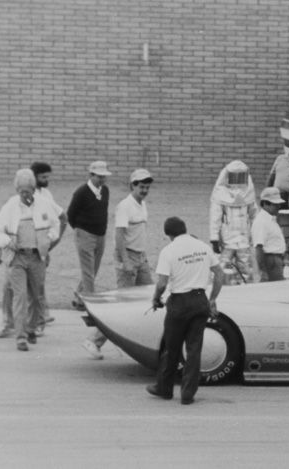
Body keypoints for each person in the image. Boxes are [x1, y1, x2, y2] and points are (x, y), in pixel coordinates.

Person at [146, 217, 223, 405]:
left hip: (179, 302)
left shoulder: (169, 251)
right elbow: (219, 274)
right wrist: (212, 298)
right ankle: (188, 393)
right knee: (194, 349)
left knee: (171, 347)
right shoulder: (202, 247)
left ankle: (164, 387)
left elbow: (163, 283)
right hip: (199, 300)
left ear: (169, 235)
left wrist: (156, 298)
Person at [82, 169, 154, 359]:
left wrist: (142, 258)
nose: (144, 190)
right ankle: (94, 340)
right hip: (127, 258)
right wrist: (126, 261)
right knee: (123, 307)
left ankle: (133, 341)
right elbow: (119, 236)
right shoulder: (125, 206)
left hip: (140, 257)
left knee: (148, 298)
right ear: (132, 186)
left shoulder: (142, 204)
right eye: (141, 186)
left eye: (147, 187)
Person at [0, 162, 67, 338]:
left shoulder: (45, 200)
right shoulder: (11, 204)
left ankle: (33, 326)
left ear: (34, 189)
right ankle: (14, 329)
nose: (24, 195)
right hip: (16, 256)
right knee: (13, 291)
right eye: (21, 191)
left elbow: (60, 220)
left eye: (28, 191)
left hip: (36, 255)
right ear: (17, 190)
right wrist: (2, 246)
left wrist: (49, 243)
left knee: (36, 293)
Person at [67, 161, 111, 311]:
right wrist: (80, 230)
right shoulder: (81, 192)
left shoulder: (105, 190)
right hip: (85, 234)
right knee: (88, 270)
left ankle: (80, 297)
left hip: (100, 235)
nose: (102, 180)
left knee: (93, 269)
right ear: (91, 175)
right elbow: (70, 214)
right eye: (99, 177)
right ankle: (91, 304)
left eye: (104, 177)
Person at [209, 160, 258, 284]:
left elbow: (254, 215)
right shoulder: (220, 193)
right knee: (221, 267)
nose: (237, 179)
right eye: (234, 175)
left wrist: (256, 234)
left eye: (240, 175)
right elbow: (215, 217)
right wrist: (214, 238)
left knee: (246, 268)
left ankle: (245, 292)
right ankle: (221, 291)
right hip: (226, 239)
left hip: (244, 238)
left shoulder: (248, 192)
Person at [251, 187, 287, 282]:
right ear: (265, 204)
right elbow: (258, 248)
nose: (278, 207)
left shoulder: (270, 219)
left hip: (276, 260)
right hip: (270, 261)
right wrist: (263, 271)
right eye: (275, 204)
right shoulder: (261, 221)